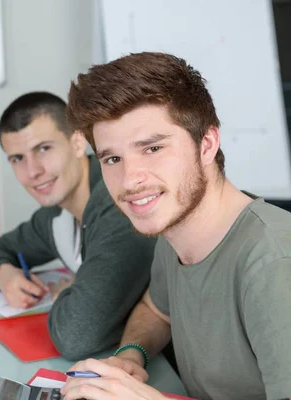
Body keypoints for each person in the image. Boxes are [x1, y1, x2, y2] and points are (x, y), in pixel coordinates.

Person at [61, 52, 291, 400]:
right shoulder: (174, 233)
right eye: (113, 158)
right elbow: (156, 311)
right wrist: (130, 355)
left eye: (152, 148)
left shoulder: (275, 263)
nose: (129, 179)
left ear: (207, 144)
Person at [0, 92, 157, 360]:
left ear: (76, 142)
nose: (32, 171)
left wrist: (67, 292)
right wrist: (6, 277)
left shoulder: (120, 204)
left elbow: (77, 335)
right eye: (17, 158)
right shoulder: (54, 216)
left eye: (43, 149)